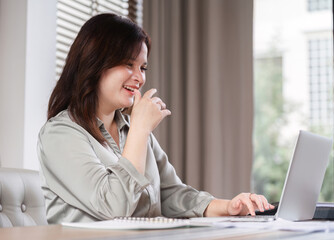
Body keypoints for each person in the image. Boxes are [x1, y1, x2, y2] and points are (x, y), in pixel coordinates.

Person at [37, 13, 274, 224]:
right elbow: (112, 206)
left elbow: (170, 193)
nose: (139, 77)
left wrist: (228, 206)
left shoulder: (132, 130)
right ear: (94, 63)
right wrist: (140, 130)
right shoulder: (61, 133)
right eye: (129, 64)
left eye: (143, 68)